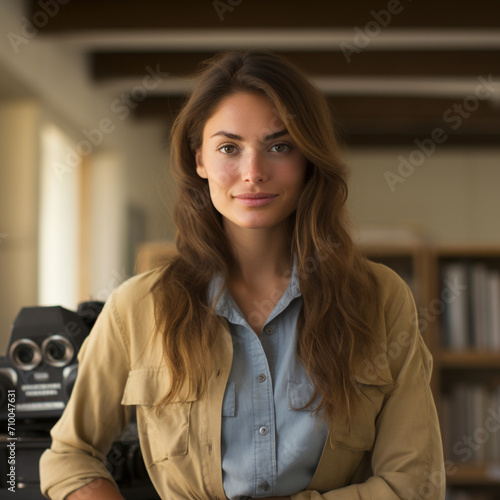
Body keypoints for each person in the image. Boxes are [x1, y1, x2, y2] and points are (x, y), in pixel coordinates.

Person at [40, 51, 445, 500]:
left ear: (309, 159)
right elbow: (69, 455)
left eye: (280, 146)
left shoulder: (380, 298)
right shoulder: (138, 306)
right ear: (200, 161)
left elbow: (415, 484)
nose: (253, 173)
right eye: (229, 148)